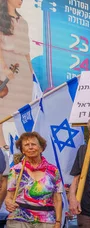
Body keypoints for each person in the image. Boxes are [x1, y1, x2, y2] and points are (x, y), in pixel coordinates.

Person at [0, 0, 34, 146]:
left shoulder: (24, 22)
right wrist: (4, 68)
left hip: (23, 68)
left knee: (23, 109)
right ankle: (2, 145)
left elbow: (27, 51)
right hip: (7, 64)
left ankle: (24, 144)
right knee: (3, 109)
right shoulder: (1, 20)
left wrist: (31, 70)